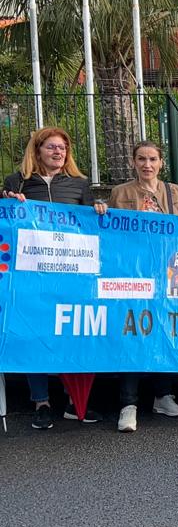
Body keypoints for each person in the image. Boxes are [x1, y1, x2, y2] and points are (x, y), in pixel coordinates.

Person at [2, 127, 106, 429]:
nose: (57, 152)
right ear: (37, 150)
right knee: (33, 333)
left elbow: (92, 224)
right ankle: (41, 402)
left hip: (71, 276)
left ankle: (76, 401)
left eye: (62, 148)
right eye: (51, 147)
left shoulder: (80, 183)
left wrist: (98, 209)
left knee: (73, 333)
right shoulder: (16, 181)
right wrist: (10, 203)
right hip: (30, 276)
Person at [105, 141, 178, 432]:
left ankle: (163, 396)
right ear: (133, 162)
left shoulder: (175, 192)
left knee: (164, 333)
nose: (147, 164)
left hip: (168, 274)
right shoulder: (120, 193)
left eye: (152, 159)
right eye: (141, 159)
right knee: (133, 332)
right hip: (134, 273)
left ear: (161, 163)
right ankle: (128, 404)